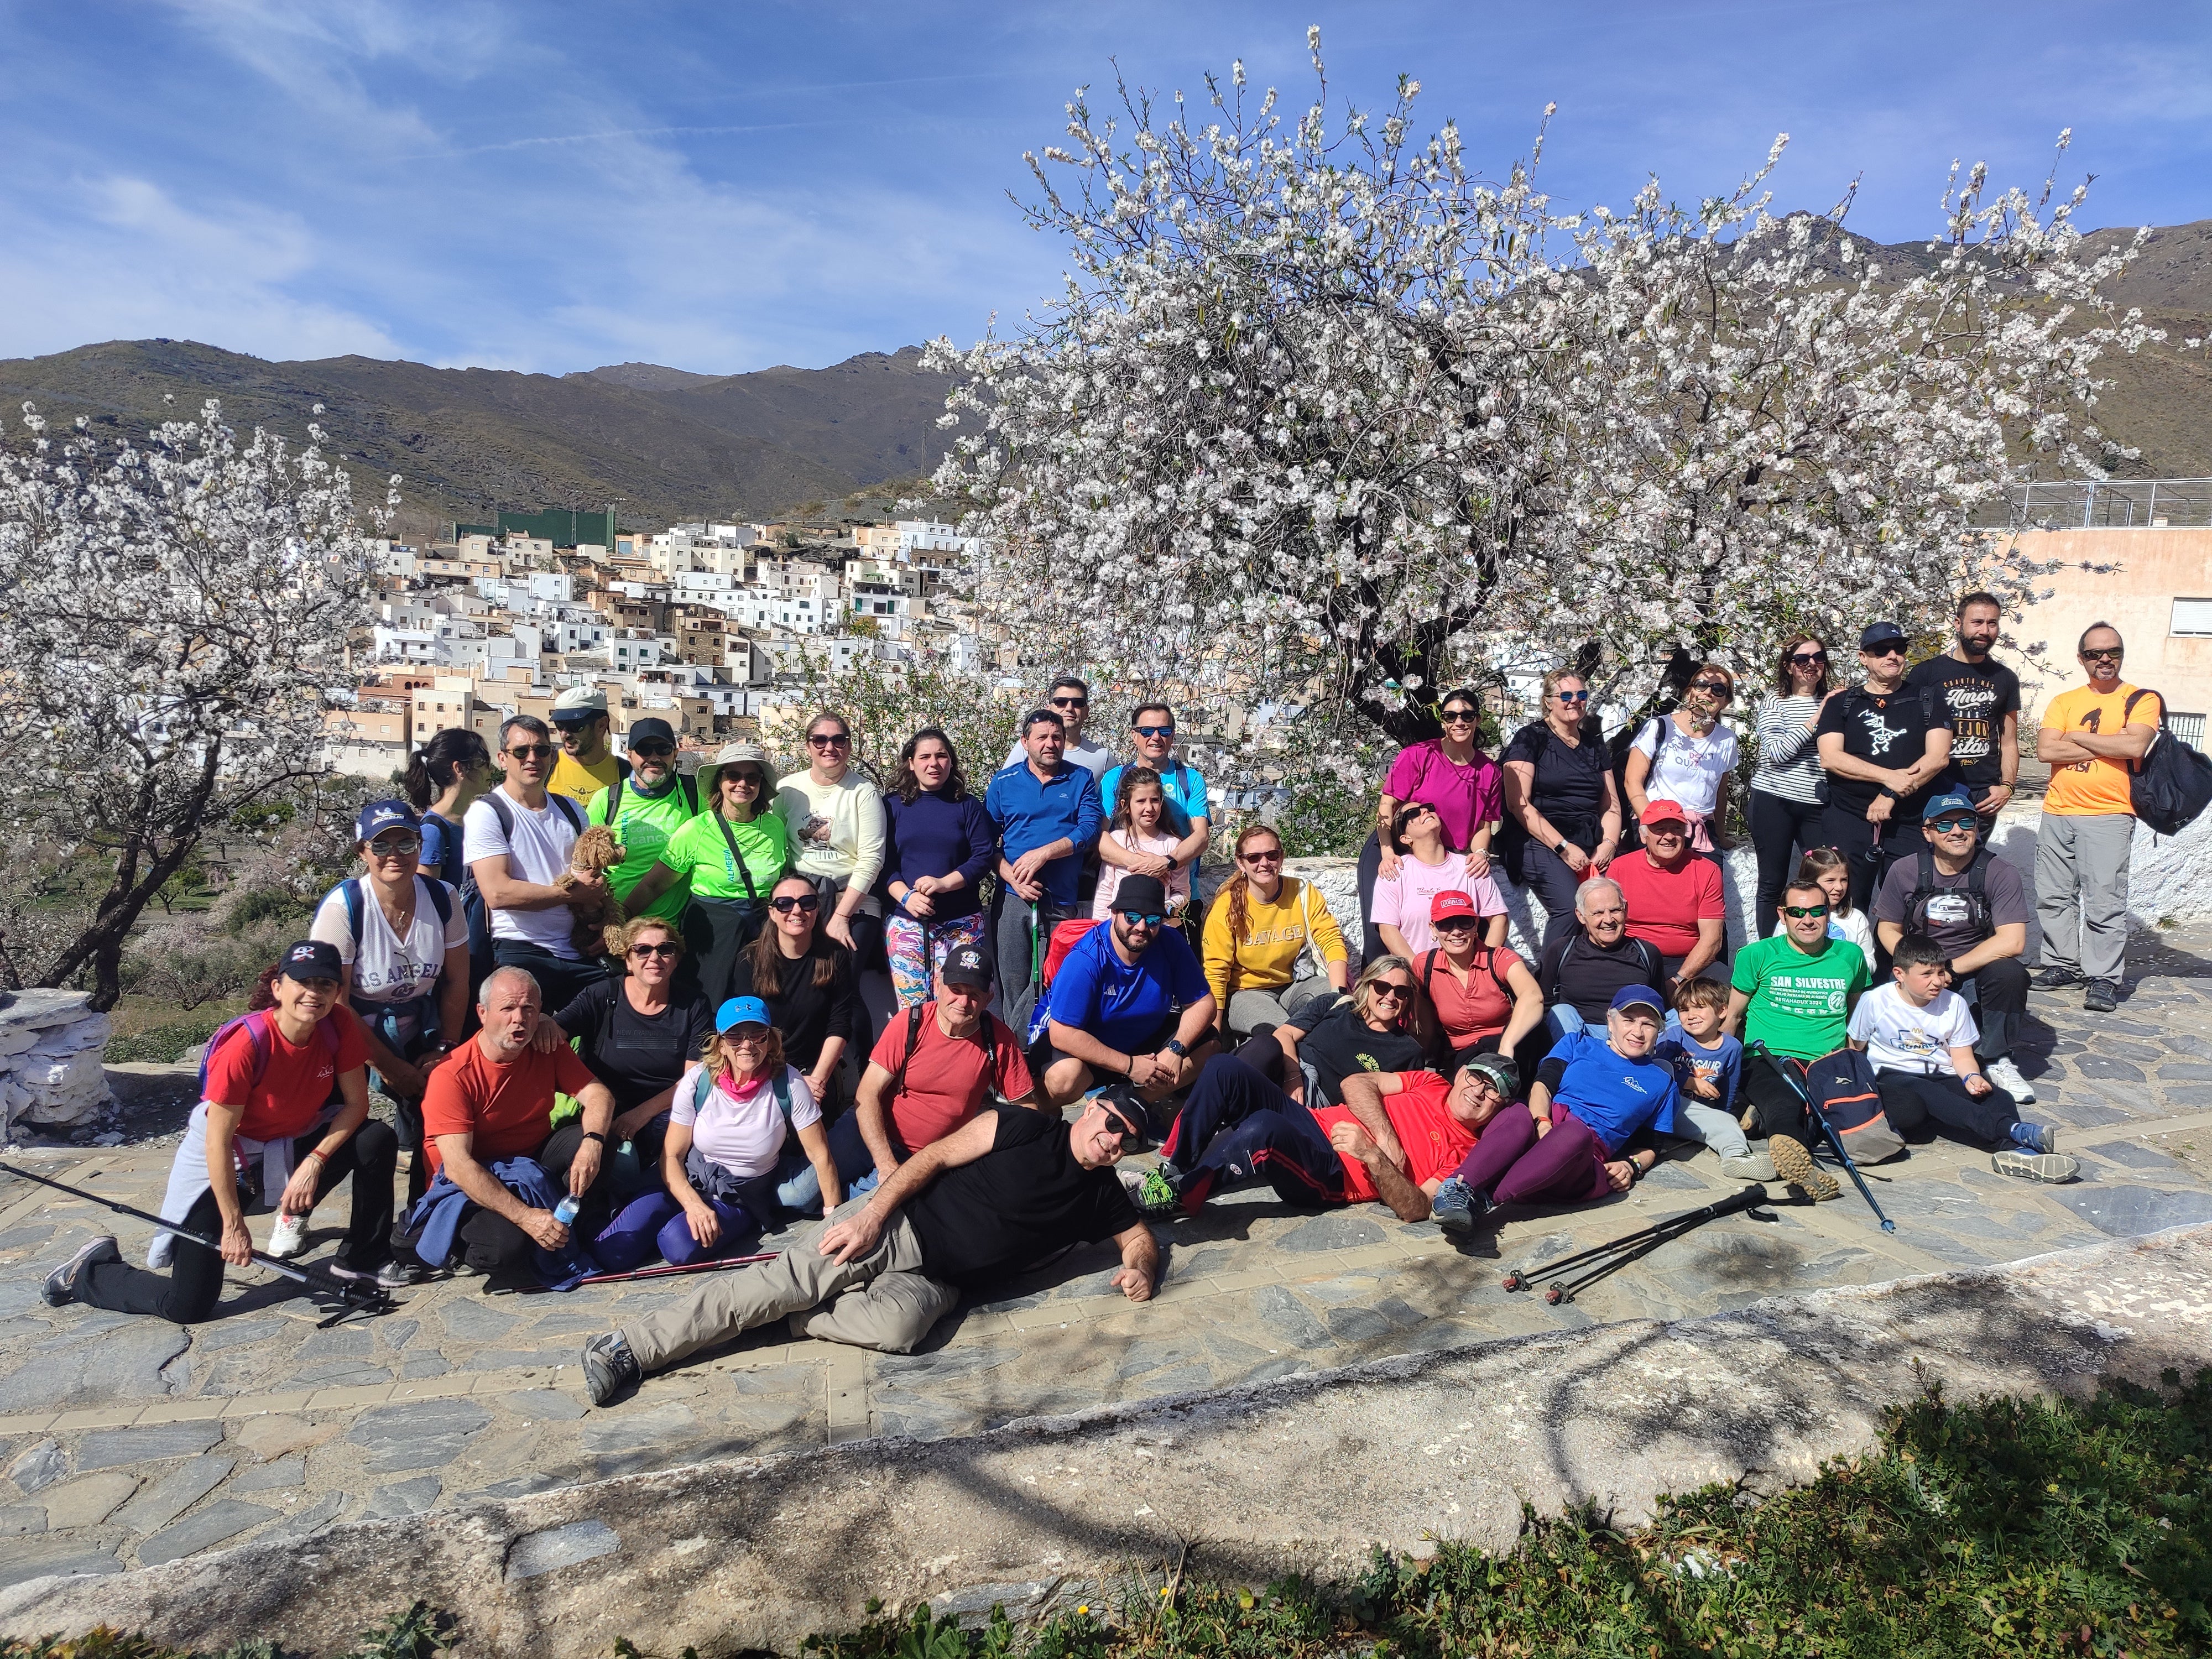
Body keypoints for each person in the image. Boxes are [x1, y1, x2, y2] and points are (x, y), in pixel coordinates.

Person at [581, 1091, 1156, 1402]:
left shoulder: (1101, 1195)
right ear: (1091, 1108)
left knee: (900, 1332)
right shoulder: (1024, 1127)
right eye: (1111, 1125)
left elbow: (1138, 1239)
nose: (1113, 1143)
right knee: (774, 1287)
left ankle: (797, 1318)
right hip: (894, 1226)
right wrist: (872, 1217)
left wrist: (1141, 1269)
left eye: (1127, 1143)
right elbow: (933, 1157)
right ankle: (626, 1347)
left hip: (939, 1283)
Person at [43, 942, 409, 1320]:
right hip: (228, 1162)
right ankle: (90, 1271)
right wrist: (233, 1226)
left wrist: (315, 1162)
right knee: (187, 1306)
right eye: (303, 982)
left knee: (375, 1139)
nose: (313, 994)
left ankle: (363, 1257)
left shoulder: (338, 1025)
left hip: (292, 1143)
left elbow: (356, 1105)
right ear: (278, 988)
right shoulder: (246, 1046)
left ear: (337, 992)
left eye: (325, 985)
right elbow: (216, 1143)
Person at [592, 996, 844, 1272]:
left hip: (740, 1196)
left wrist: (833, 1219)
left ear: (770, 1041)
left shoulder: (789, 1083)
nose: (747, 1045)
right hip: (689, 1180)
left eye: (757, 1035)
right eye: (735, 1037)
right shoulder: (698, 1080)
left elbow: (820, 1155)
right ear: (721, 1044)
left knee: (676, 1244)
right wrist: (692, 1204)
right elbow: (672, 1155)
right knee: (613, 1252)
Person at [406, 966, 618, 1278]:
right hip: (468, 1184)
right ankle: (461, 1244)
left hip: (529, 1162)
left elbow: (599, 1095)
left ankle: (569, 1224)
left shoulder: (545, 1045)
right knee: (505, 1251)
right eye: (507, 1009)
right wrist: (526, 1217)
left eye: (528, 1008)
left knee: (599, 1137)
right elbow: (459, 1168)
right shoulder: (452, 1075)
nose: (519, 1018)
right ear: (482, 1013)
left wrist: (593, 1143)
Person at [1139, 1049, 1517, 1221]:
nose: (1478, 1092)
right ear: (1461, 1073)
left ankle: (1181, 1196)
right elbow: (1357, 1083)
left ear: (1501, 1105)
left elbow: (1416, 1209)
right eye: (1476, 1078)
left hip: (1332, 1173)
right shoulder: (1430, 1083)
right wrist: (1386, 1136)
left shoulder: (1468, 1154)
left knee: (1264, 1129)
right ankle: (1175, 1168)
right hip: (1313, 1121)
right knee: (1225, 1068)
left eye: (1493, 1090)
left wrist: (1374, 1156)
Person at [310, 800, 469, 1204]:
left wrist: (444, 1049)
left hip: (417, 1021)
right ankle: (296, 1210)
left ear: (420, 846)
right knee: (334, 1123)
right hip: (346, 1026)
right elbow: (335, 1001)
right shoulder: (344, 908)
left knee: (441, 1109)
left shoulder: (443, 897)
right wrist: (388, 1066)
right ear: (362, 852)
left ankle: (424, 1210)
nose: (394, 855)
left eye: (406, 843)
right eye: (380, 846)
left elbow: (457, 980)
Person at [1427, 987, 1676, 1236]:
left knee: (1573, 1134)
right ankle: (1456, 1189)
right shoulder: (1577, 1043)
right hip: (1544, 1125)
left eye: (1648, 1024)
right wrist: (1543, 1122)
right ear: (1611, 1022)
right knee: (1517, 1111)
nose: (1637, 1032)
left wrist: (1631, 1165)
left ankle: (1481, 1202)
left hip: (1579, 1160)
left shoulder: (1662, 1083)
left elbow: (1652, 1146)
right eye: (1629, 1020)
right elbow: (1543, 1086)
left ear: (1659, 1031)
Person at [1847, 932, 2075, 1183]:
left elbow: (1962, 1055)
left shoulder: (1954, 1003)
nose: (1937, 981)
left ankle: (2014, 1152)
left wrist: (1972, 1077)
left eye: (1941, 972)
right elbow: (1855, 1048)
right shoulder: (1875, 1001)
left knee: (1999, 1097)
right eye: (1927, 974)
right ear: (1900, 974)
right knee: (1927, 1097)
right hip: (1894, 1076)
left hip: (1941, 1074)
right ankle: (2009, 1130)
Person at [828, 945, 1041, 1191]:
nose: (963, 1002)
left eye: (974, 995)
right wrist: (885, 1163)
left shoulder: (998, 1039)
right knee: (799, 1195)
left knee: (864, 1205)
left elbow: (1028, 1109)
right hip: (868, 1129)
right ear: (938, 985)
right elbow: (868, 1093)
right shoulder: (911, 1023)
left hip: (922, 1159)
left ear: (988, 999)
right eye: (956, 990)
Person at [1871, 789, 2034, 1101]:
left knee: (2010, 974)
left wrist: (1950, 970)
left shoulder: (2000, 872)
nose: (1957, 831)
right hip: (1920, 966)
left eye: (1965, 822)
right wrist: (1919, 968)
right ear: (1928, 833)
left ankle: (1997, 1058)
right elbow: (1887, 929)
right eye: (1944, 825)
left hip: (1973, 968)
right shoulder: (1904, 870)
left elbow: (2013, 941)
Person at [2033, 622, 2162, 1014]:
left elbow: (2136, 744)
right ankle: (2062, 964)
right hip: (2058, 811)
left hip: (2109, 813)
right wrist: (2111, 744)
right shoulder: (2064, 701)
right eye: (2094, 654)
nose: (2104, 659)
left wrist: (2074, 737)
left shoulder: (2140, 699)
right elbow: (2045, 752)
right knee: (2054, 897)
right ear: (2081, 658)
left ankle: (2103, 977)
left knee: (2105, 900)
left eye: (2113, 652)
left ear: (2121, 655)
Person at [535, 915, 716, 1180]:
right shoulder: (602, 995)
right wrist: (541, 1020)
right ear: (628, 960)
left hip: (663, 1111)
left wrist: (639, 1116)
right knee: (615, 1165)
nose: (654, 957)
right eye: (643, 950)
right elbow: (554, 1030)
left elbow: (693, 1080)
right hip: (604, 1111)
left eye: (665, 949)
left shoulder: (694, 1005)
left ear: (676, 959)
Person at [1724, 878, 1872, 1201]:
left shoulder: (1851, 956)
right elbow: (1733, 1016)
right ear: (1783, 915)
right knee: (1787, 1100)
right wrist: (1721, 1068)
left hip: (1827, 1061)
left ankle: (1763, 1127)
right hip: (1770, 1056)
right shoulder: (1757, 954)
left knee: (1896, 1110)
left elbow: (1855, 1016)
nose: (1808, 920)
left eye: (1817, 911)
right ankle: (1798, 1160)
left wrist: (1856, 1063)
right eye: (1797, 912)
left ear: (1828, 912)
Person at [624, 741, 790, 1006]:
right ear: (719, 782)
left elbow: (783, 881)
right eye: (733, 776)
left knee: (757, 1008)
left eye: (752, 778)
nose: (743, 784)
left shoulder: (776, 827)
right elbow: (654, 885)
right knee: (708, 1009)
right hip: (711, 935)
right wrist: (618, 921)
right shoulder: (697, 829)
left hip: (761, 935)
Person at [1037, 875, 1219, 1108]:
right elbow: (1062, 1033)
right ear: (1114, 913)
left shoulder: (1170, 943)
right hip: (1087, 1043)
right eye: (1132, 917)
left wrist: (1176, 1048)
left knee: (1209, 1045)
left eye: (1153, 920)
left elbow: (1203, 1003)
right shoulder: (1086, 958)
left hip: (1140, 1037)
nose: (1142, 927)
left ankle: (1128, 1106)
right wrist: (1130, 1066)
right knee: (1064, 1078)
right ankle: (1042, 1114)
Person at [464, 713, 606, 1010]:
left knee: (623, 1007)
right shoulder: (488, 812)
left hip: (577, 949)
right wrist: (572, 894)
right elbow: (498, 893)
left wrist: (602, 921)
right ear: (503, 759)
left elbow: (591, 878)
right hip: (521, 950)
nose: (532, 759)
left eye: (541, 750)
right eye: (521, 751)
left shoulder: (571, 810)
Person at [1359, 687, 1504, 963]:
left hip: (1446, 856)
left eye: (1467, 716)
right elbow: (1387, 807)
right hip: (1394, 845)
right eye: (1451, 716)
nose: (1459, 722)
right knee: (1379, 934)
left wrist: (1480, 854)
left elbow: (1483, 827)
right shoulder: (1419, 755)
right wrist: (1388, 853)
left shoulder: (1489, 772)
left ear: (1478, 719)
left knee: (1466, 926)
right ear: (1442, 720)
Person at [1816, 622, 1953, 912]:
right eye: (1880, 651)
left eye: (1899, 649)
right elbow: (1831, 757)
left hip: (1909, 819)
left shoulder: (1929, 698)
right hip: (1849, 817)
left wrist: (1889, 795)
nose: (1892, 656)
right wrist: (1888, 778)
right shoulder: (1842, 703)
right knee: (1845, 903)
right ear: (1863, 658)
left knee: (1909, 903)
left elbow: (1938, 757)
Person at [984, 709, 1105, 1031]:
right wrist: (1012, 877)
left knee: (1053, 980)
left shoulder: (1081, 779)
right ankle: (1019, 1052)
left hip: (1061, 901)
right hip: (1013, 899)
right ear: (1025, 743)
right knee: (1013, 983)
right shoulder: (1003, 783)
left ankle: (1035, 1048)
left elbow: (1089, 829)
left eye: (1057, 737)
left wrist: (1045, 854)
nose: (1050, 744)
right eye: (1042, 738)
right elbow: (985, 845)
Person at [1501, 670, 1624, 948]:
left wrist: (1609, 844)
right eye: (1566, 695)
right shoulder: (1530, 739)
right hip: (1539, 841)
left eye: (1581, 695)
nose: (1575, 701)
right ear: (1548, 701)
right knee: (1571, 910)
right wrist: (1563, 847)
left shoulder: (1594, 745)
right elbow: (1518, 804)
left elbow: (1611, 805)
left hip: (1589, 840)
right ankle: (1552, 974)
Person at [879, 727, 997, 1009]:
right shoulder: (891, 806)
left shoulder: (968, 806)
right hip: (907, 924)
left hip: (962, 924)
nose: (934, 764)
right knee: (913, 1010)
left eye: (941, 756)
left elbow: (983, 857)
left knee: (959, 1007)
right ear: (911, 763)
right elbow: (881, 862)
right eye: (925, 757)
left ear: (951, 761)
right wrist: (907, 897)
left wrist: (944, 884)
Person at [727, 876, 865, 1114]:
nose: (797, 910)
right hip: (762, 1068)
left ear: (817, 908)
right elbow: (745, 1031)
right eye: (785, 904)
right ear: (772, 912)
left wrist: (817, 1081)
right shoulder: (749, 960)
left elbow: (840, 1024)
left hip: (816, 1071)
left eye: (807, 902)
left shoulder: (835, 956)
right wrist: (784, 1080)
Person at [1201, 823, 1350, 1036]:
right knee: (1283, 1035)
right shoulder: (1226, 907)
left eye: (1272, 855)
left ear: (1281, 858)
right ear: (1241, 863)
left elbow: (1331, 941)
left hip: (1293, 985)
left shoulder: (1302, 893)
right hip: (1246, 993)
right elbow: (1216, 972)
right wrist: (1213, 1037)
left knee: (1336, 1004)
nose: (1264, 863)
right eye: (1254, 857)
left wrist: (1338, 997)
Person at [1241, 956, 1431, 1107]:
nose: (1390, 997)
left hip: (1316, 1107)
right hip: (1288, 1070)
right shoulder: (1335, 1004)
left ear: (1408, 998)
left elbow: (1397, 1107)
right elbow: (1285, 1034)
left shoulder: (1408, 1052)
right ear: (1367, 985)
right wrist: (1293, 1078)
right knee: (1263, 1046)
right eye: (1382, 987)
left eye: (1401, 992)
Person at [777, 711, 886, 961]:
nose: (829, 747)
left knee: (841, 973)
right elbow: (776, 846)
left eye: (839, 740)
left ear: (849, 746)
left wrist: (841, 917)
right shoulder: (787, 790)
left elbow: (872, 860)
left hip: (852, 899)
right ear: (808, 747)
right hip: (800, 900)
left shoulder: (863, 793)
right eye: (820, 740)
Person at [1906, 593, 2022, 819]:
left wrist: (2007, 787)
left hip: (1984, 793)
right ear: (1958, 624)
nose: (1985, 631)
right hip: (1935, 787)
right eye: (1977, 622)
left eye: (1992, 623)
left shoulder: (2005, 678)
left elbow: (2009, 742)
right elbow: (1908, 732)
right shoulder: (1926, 673)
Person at [1748, 636, 1834, 936]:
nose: (1811, 664)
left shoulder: (1834, 701)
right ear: (1788, 666)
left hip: (1818, 803)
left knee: (1823, 878)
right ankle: (1769, 951)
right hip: (1774, 800)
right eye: (1802, 659)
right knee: (1772, 881)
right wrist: (1817, 718)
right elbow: (1777, 752)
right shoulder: (1775, 701)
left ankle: (1819, 944)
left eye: (1818, 657)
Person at [584, 717, 705, 931]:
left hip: (671, 932)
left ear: (675, 753)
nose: (654, 758)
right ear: (629, 754)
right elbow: (587, 868)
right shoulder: (607, 800)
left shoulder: (695, 794)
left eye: (663, 749)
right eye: (644, 750)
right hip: (614, 926)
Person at [1411, 893, 1545, 1073]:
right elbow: (1422, 1023)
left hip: (1511, 1046)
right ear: (1433, 929)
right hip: (1464, 1056)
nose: (1456, 932)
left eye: (1464, 922)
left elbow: (1533, 996)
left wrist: (1507, 1044)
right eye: (1446, 924)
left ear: (1476, 925)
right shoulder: (1425, 965)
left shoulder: (1499, 958)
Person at [1606, 800, 1726, 999]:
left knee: (1731, 993)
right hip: (1634, 958)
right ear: (1644, 836)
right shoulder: (1620, 868)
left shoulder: (1707, 870)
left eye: (1677, 829)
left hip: (1687, 961)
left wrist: (1679, 980)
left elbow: (1712, 940)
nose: (1669, 836)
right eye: (1660, 829)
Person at [1654, 976, 1770, 1180]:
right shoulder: (1675, 1036)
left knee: (1727, 1123)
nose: (1691, 1016)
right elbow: (1656, 1068)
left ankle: (1737, 1159)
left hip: (1696, 1116)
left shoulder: (1732, 1047)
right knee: (1662, 1068)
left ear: (1722, 1011)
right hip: (1665, 1107)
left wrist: (1723, 1114)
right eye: (1684, 1010)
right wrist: (1688, 1081)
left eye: (1699, 1008)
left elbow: (1729, 1087)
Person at [1623, 662, 1740, 854]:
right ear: (1689, 691)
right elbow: (1632, 781)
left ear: (1726, 701)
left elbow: (1720, 793)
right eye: (1702, 685)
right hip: (1657, 823)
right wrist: (1650, 823)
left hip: (1701, 830)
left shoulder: (1727, 740)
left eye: (1718, 689)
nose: (1708, 693)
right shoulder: (1658, 727)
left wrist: (1720, 837)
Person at [1370, 800, 1508, 959]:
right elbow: (1388, 931)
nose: (1425, 812)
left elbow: (1499, 919)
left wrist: (1484, 964)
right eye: (1413, 814)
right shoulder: (1396, 873)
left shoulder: (1471, 867)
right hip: (1416, 969)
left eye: (1429, 808)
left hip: (1468, 969)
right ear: (1405, 838)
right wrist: (1418, 968)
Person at [1535, 879, 1665, 1033]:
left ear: (1626, 910)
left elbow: (1661, 1006)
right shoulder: (1562, 950)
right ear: (1581, 916)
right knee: (1561, 1012)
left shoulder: (1647, 954)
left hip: (1631, 1036)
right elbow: (1545, 1003)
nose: (1609, 920)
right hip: (1578, 1036)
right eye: (1598, 913)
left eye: (1615, 910)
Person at [1098, 703, 1211, 874]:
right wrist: (1143, 865)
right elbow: (1100, 835)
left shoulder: (1190, 779)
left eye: (1164, 731)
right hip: (1126, 885)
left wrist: (1167, 862)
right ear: (1134, 736)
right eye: (1147, 731)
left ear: (1172, 736)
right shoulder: (1114, 779)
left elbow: (1201, 836)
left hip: (1179, 887)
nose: (1156, 737)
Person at [1093, 766, 1194, 921]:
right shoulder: (1116, 842)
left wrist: (1166, 907)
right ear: (1125, 805)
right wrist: (1100, 926)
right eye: (1141, 801)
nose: (1149, 808)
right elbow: (1105, 890)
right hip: (1118, 928)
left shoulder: (1173, 845)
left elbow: (1183, 892)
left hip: (1160, 928)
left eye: (1155, 800)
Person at [1002, 675, 1117, 781]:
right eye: (1061, 702)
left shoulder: (1103, 757)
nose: (1069, 708)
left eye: (1078, 703)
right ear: (1049, 709)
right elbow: (1005, 785)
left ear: (1087, 711)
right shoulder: (1027, 747)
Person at [1797, 847, 1876, 977]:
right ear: (1809, 882)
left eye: (1844, 880)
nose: (1839, 887)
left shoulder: (1856, 919)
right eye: (1830, 880)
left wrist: (1846, 966)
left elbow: (1870, 963)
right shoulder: (1794, 917)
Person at [548, 686, 627, 805]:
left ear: (601, 725)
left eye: (575, 726)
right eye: (560, 725)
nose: (565, 734)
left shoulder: (626, 774)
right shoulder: (546, 767)